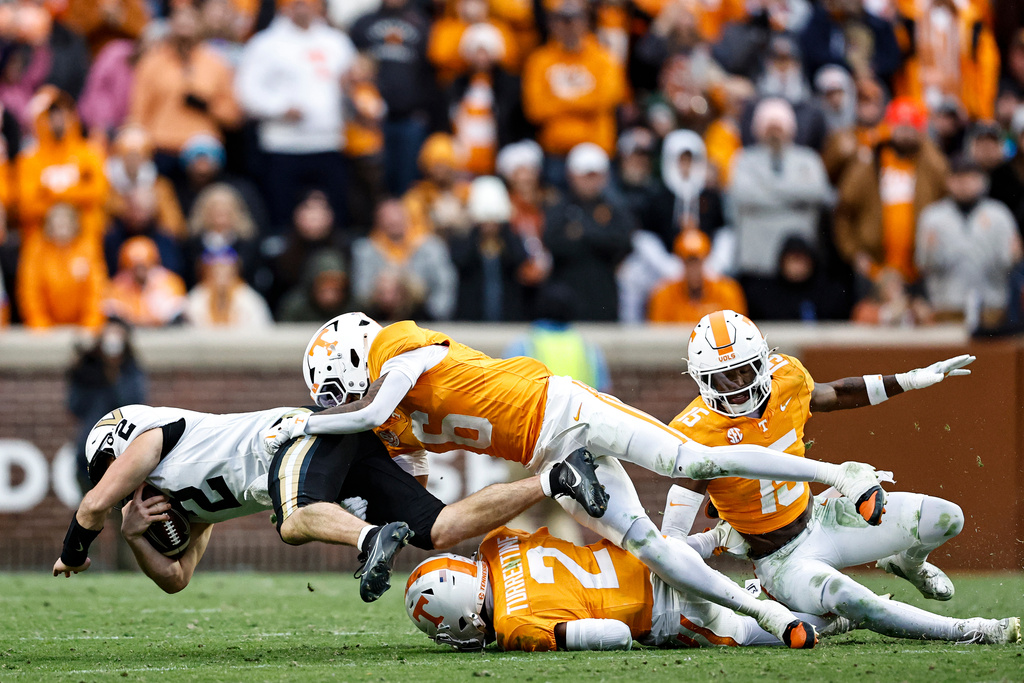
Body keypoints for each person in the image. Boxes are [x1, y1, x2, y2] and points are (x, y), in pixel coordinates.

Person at [262, 312, 893, 648]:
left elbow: (370, 408)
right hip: (547, 455)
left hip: (564, 409)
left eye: (336, 394)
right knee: (647, 546)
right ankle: (770, 615)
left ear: (351, 354)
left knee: (693, 461)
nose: (339, 405)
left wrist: (309, 425)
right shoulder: (387, 413)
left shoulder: (395, 347)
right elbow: (413, 463)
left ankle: (836, 473)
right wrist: (381, 488)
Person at [668, 309, 1019, 645]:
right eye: (727, 376)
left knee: (946, 519)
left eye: (746, 370)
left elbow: (836, 392)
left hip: (822, 518)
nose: (740, 384)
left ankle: (907, 563)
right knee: (857, 600)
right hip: (782, 561)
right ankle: (970, 630)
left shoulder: (785, 377)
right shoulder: (694, 434)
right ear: (702, 379)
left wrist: (909, 380)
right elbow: (671, 541)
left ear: (763, 359)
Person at [52, 403, 606, 603]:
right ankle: (554, 479)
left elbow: (92, 507)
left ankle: (369, 540)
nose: (125, 486)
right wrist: (130, 536)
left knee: (292, 520)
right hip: (327, 448)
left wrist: (75, 553)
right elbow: (177, 578)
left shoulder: (157, 435)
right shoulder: (185, 507)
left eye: (111, 469)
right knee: (437, 528)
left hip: (299, 439)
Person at [405, 525, 847, 652]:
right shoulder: (495, 544)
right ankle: (710, 542)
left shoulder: (513, 623)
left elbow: (614, 635)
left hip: (665, 609)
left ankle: (839, 618)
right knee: (728, 585)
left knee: (746, 631)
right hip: (651, 553)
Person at [235, 0, 356, 225]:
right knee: (283, 215)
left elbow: (354, 85)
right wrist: (280, 108)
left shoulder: (337, 42)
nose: (302, 6)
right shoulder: (266, 43)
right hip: (283, 144)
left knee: (333, 215)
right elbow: (246, 92)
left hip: (329, 142)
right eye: (296, 2)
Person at [729, 98, 831, 294]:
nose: (774, 133)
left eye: (779, 126)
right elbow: (743, 195)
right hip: (757, 260)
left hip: (799, 258)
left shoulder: (808, 159)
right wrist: (794, 200)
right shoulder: (744, 159)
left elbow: (818, 192)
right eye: (769, 126)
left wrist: (767, 189)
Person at [128, 3, 242, 166]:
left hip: (203, 149)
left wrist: (207, 106)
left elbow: (233, 115)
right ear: (170, 25)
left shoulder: (216, 63)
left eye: (190, 20)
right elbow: (138, 111)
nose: (185, 25)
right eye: (180, 20)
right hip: (161, 144)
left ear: (200, 25)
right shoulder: (152, 63)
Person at [915, 156, 1022, 326]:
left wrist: (1014, 255)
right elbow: (923, 263)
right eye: (958, 178)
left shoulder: (999, 214)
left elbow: (1009, 262)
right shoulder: (933, 216)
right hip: (946, 306)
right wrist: (930, 252)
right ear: (948, 181)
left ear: (982, 181)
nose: (964, 184)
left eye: (970, 177)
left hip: (991, 307)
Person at [520, 0, 626, 169]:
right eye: (561, 20)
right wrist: (584, 104)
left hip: (596, 149)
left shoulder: (604, 58)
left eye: (574, 19)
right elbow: (535, 109)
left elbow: (606, 100)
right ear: (552, 24)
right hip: (555, 150)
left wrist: (558, 102)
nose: (568, 26)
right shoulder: (539, 61)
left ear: (586, 21)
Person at [543, 143, 635, 321]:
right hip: (568, 291)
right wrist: (599, 236)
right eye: (586, 176)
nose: (591, 182)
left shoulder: (615, 207)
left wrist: (583, 232)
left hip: (604, 291)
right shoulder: (559, 208)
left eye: (595, 176)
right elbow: (554, 242)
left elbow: (624, 241)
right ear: (572, 175)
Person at [16, 86, 108, 243]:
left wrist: (53, 194)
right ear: (41, 120)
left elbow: (99, 192)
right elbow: (27, 205)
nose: (58, 121)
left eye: (63, 114)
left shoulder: (90, 153)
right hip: (42, 236)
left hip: (84, 234)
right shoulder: (30, 159)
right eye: (51, 116)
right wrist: (68, 205)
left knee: (95, 221)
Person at [67, 318, 146, 490]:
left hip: (123, 454)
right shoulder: (86, 370)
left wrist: (115, 375)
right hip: (88, 454)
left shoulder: (130, 370)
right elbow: (74, 406)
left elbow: (135, 403)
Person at [350, 199, 457, 321]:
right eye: (388, 220)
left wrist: (435, 316)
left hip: (423, 319)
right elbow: (361, 291)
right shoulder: (365, 250)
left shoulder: (431, 247)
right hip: (380, 319)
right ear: (378, 221)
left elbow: (445, 284)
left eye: (398, 218)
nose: (394, 222)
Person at [16, 203, 107, 330]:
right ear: (48, 225)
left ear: (74, 224)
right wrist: (37, 320)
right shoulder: (36, 249)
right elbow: (29, 288)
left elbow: (96, 288)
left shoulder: (87, 248)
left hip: (82, 327)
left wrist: (91, 322)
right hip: (45, 328)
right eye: (56, 223)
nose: (61, 228)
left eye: (65, 223)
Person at [449, 175, 527, 321]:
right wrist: (473, 231)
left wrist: (506, 230)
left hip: (507, 316)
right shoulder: (464, 240)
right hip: (472, 318)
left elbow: (520, 258)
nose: (490, 225)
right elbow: (459, 260)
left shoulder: (510, 239)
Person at [647, 230, 746, 323]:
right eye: (688, 262)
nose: (693, 269)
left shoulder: (727, 292)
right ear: (681, 262)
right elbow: (658, 335)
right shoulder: (664, 295)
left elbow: (737, 329)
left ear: (705, 260)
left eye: (697, 262)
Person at [103, 236, 187, 327]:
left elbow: (174, 311)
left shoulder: (170, 283)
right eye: (134, 267)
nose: (139, 272)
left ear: (153, 262)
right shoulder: (118, 285)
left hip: (163, 336)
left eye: (144, 266)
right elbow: (112, 311)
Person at [185, 247, 273, 328]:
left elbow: (261, 330)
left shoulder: (249, 298)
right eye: (215, 269)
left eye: (225, 269)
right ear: (205, 271)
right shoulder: (195, 298)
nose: (220, 273)